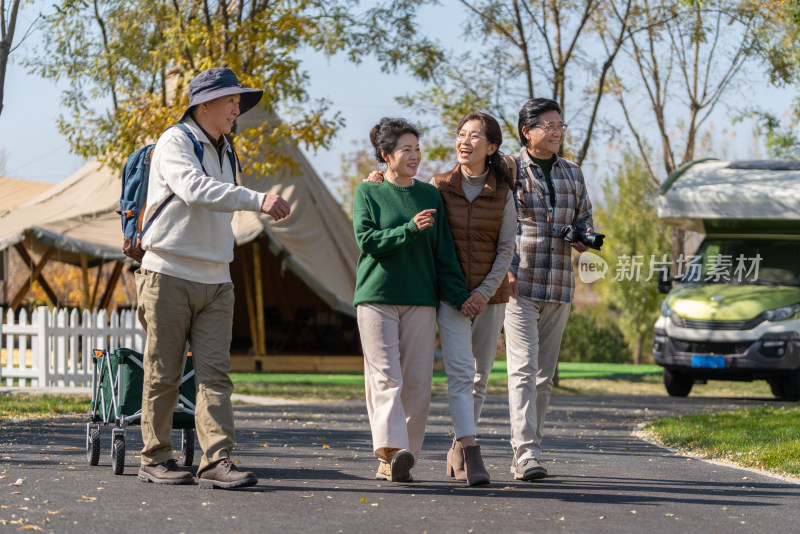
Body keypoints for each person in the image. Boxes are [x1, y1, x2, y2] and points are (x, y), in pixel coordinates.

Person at [135, 67, 291, 489]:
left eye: (239, 101)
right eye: (231, 100)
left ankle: (216, 460)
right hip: (167, 273)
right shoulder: (175, 141)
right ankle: (155, 457)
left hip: (217, 279)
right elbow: (194, 189)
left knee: (215, 375)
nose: (237, 109)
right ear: (204, 104)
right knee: (164, 372)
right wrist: (259, 199)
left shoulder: (227, 148)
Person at [352, 117, 475, 483]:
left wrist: (461, 297)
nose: (415, 156)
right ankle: (391, 450)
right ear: (385, 155)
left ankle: (403, 458)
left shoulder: (429, 194)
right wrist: (409, 229)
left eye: (417, 149)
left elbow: (444, 254)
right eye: (406, 149)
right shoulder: (367, 193)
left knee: (418, 383)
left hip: (421, 300)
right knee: (386, 378)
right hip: (377, 297)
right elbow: (368, 241)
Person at [504, 97, 594, 481]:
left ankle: (530, 449)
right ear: (528, 132)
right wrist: (503, 270)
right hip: (519, 282)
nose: (557, 132)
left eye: (561, 126)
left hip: (559, 283)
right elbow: (496, 222)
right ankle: (526, 453)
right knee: (523, 369)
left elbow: (585, 217)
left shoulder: (573, 172)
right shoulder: (507, 169)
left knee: (544, 375)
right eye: (549, 126)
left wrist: (585, 236)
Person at [434, 112, 516, 486]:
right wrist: (377, 177)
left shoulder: (503, 192)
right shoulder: (439, 185)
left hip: (490, 298)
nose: (464, 141)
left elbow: (506, 251)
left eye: (474, 136)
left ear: (492, 146)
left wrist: (482, 295)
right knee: (460, 374)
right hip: (450, 297)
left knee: (481, 377)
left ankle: (457, 445)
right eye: (460, 134)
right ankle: (470, 449)